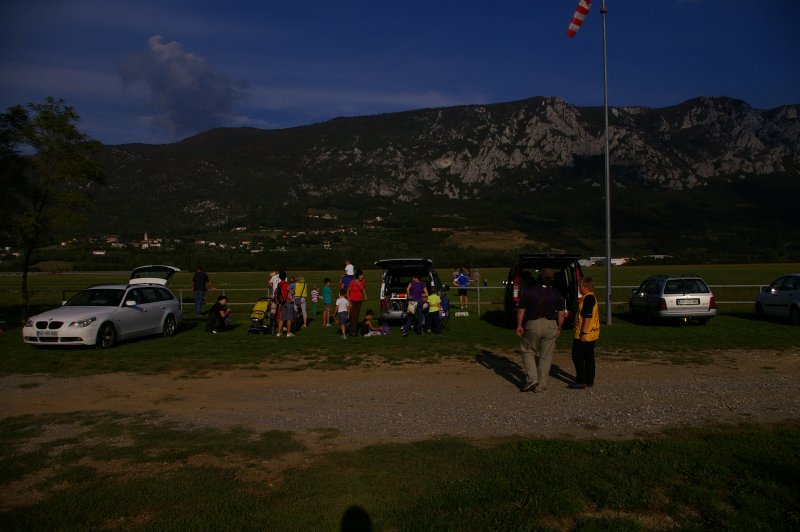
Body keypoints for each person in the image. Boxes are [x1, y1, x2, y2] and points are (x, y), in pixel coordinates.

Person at [515, 268, 566, 393]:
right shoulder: (556, 293)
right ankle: (541, 385)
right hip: (551, 325)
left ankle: (532, 378)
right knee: (546, 356)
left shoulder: (528, 291)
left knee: (528, 350)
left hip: (533, 324)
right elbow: (561, 314)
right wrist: (559, 327)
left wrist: (519, 325)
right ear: (552, 280)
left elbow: (521, 310)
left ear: (538, 278)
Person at [570, 277, 600, 389]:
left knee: (577, 356)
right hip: (592, 334)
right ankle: (589, 380)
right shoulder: (591, 298)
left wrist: (583, 332)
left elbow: (588, 316)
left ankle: (581, 380)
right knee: (589, 357)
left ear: (586, 288)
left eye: (580, 287)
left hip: (584, 334)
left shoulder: (588, 299)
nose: (579, 289)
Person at [347, 270, 367, 336]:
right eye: (361, 275)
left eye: (362, 275)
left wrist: (365, 295)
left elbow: (362, 288)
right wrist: (349, 302)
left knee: (357, 316)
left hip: (359, 301)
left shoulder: (363, 281)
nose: (362, 276)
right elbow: (348, 291)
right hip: (352, 301)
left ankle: (354, 331)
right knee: (353, 316)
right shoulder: (352, 282)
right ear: (358, 276)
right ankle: (351, 331)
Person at [275, 272, 295, 337]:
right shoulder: (287, 284)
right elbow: (292, 292)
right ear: (286, 277)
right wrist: (293, 291)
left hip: (282, 302)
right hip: (288, 301)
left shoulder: (279, 284)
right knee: (289, 318)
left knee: (281, 318)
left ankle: (278, 333)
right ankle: (288, 333)